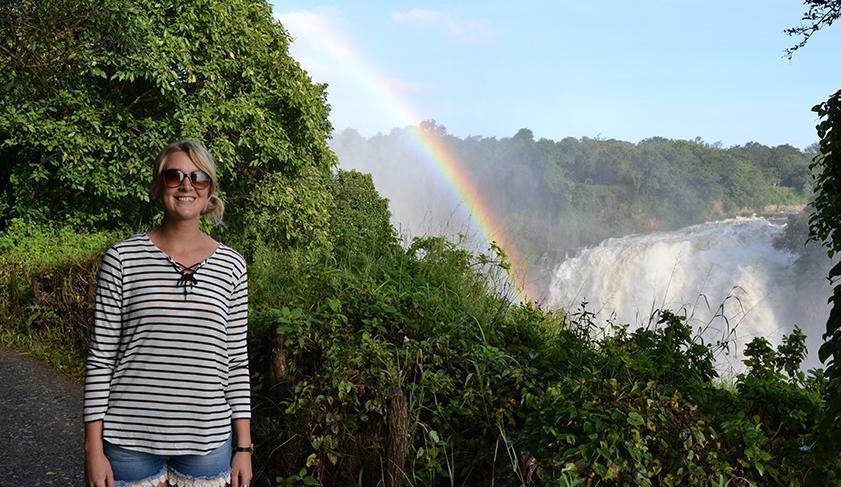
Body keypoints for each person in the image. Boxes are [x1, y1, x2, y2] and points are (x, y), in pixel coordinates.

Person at [83, 140, 253, 487]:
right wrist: (93, 449)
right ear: (159, 185)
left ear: (210, 191)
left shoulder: (232, 266)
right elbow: (101, 359)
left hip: (207, 442)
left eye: (198, 177)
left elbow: (236, 362)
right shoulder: (122, 259)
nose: (186, 184)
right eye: (174, 175)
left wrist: (245, 447)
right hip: (128, 442)